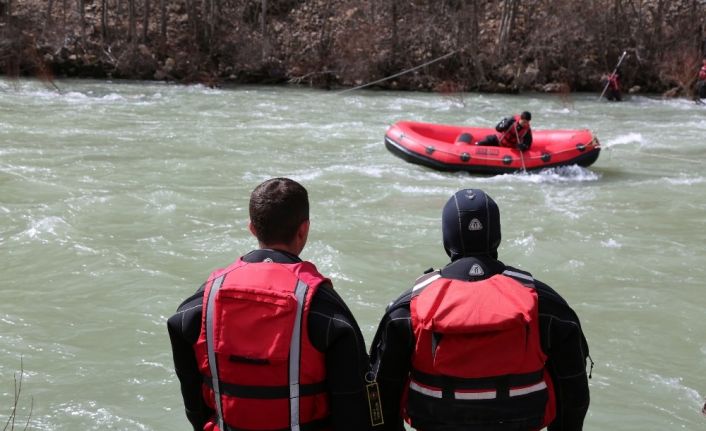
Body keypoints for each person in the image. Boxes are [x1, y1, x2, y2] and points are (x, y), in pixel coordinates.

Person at [369, 188, 591, 431]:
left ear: (447, 238)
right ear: (496, 235)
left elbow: (380, 400)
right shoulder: (546, 306)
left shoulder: (407, 309)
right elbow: (574, 398)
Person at [168, 177, 372, 431]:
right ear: (303, 229)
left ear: (252, 228)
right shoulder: (323, 306)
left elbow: (193, 400)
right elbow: (353, 407)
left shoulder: (202, 303)